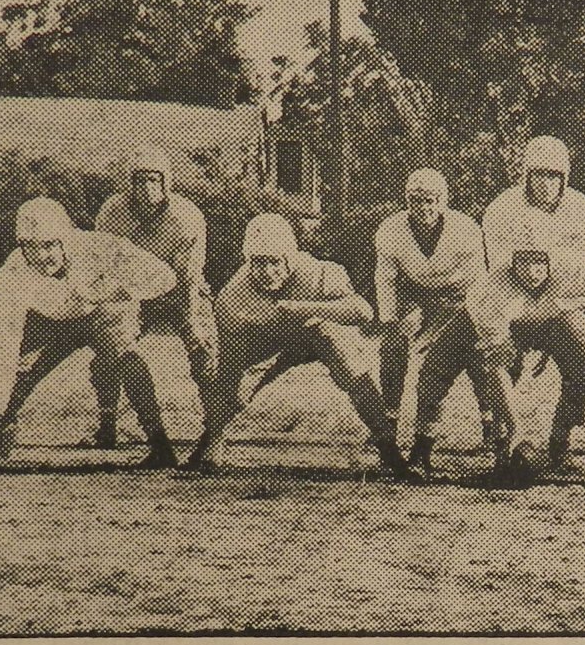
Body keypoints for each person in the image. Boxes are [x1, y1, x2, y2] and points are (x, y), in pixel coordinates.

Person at [467, 135, 585, 486]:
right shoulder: (502, 210)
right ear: (526, 175)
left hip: (560, 303)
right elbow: (505, 272)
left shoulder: (581, 211)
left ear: (564, 177)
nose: (546, 183)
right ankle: (507, 449)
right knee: (500, 366)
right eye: (539, 174)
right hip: (513, 303)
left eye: (553, 175)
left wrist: (574, 302)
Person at [184, 214, 413, 478]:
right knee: (234, 381)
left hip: (318, 332)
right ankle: (211, 441)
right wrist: (219, 422)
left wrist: (303, 308)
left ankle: (388, 449)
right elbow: (229, 366)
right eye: (259, 263)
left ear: (289, 259)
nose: (268, 272)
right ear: (248, 263)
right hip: (271, 341)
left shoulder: (315, 273)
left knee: (349, 363)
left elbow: (363, 311)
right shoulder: (233, 298)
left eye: (274, 262)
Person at [0, 197, 179, 470]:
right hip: (47, 323)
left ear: (66, 239)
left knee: (125, 357)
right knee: (5, 388)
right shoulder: (6, 283)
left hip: (99, 314)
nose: (40, 257)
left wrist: (120, 291)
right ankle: (1, 434)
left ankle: (160, 445)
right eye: (29, 247)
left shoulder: (101, 247)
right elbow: (4, 359)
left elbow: (165, 276)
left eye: (48, 245)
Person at [89, 145, 216, 448]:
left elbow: (188, 275)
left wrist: (192, 323)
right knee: (109, 348)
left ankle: (214, 428)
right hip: (132, 291)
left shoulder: (186, 217)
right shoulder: (112, 213)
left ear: (166, 183)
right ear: (129, 184)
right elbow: (105, 265)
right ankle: (107, 426)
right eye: (140, 180)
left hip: (179, 290)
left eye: (154, 180)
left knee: (204, 351)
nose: (147, 188)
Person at [371, 169, 492, 472]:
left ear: (443, 201)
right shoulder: (390, 230)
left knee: (475, 349)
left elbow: (479, 279)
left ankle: (491, 422)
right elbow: (386, 279)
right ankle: (390, 421)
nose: (424, 208)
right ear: (407, 201)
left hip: (458, 295)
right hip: (414, 293)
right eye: (416, 201)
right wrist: (390, 320)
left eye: (431, 201)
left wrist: (475, 317)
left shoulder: (466, 229)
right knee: (391, 347)